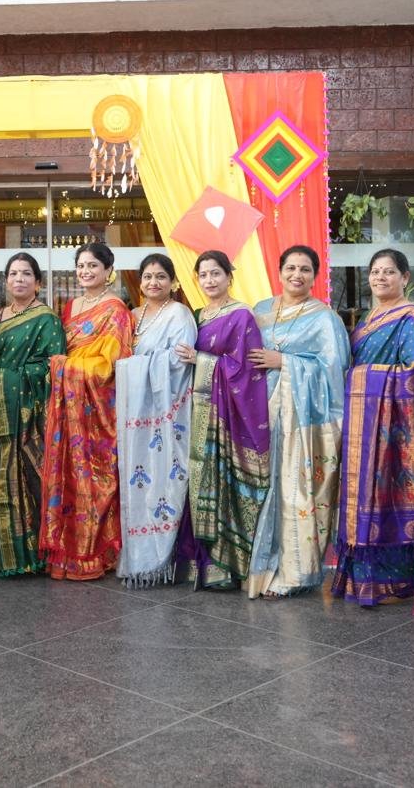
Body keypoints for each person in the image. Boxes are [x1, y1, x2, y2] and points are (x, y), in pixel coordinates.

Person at [331, 249, 414, 606]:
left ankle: (396, 582)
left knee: (387, 493)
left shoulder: (413, 317)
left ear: (405, 277)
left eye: (389, 272)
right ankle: (359, 577)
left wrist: (360, 377)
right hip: (362, 425)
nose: (380, 278)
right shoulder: (367, 319)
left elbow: (413, 373)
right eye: (375, 271)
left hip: (393, 427)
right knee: (359, 496)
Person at [247, 245, 350, 598]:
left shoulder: (325, 319)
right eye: (291, 268)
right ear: (279, 272)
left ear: (315, 276)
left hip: (302, 423)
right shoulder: (261, 310)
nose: (297, 275)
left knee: (296, 492)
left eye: (305, 269)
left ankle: (295, 573)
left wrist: (285, 362)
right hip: (261, 416)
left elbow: (335, 371)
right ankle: (261, 568)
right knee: (261, 490)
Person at [173, 250, 272, 590]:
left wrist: (200, 360)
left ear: (229, 276)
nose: (209, 280)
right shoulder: (197, 316)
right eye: (203, 275)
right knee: (197, 483)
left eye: (216, 273)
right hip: (198, 414)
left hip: (229, 419)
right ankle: (198, 565)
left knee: (223, 483)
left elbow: (247, 369)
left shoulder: (242, 315)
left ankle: (225, 568)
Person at [41, 242, 133, 580]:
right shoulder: (70, 307)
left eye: (93, 265)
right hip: (68, 408)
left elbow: (111, 364)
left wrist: (65, 367)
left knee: (96, 478)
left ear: (108, 271)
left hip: (97, 408)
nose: (85, 271)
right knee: (67, 474)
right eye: (81, 266)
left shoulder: (116, 310)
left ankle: (95, 551)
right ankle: (66, 549)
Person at [0, 253, 65, 577]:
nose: (19, 279)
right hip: (0, 409)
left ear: (38, 283)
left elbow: (54, 366)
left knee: (30, 477)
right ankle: (4, 551)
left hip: (30, 413)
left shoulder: (47, 319)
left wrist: (5, 379)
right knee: (0, 474)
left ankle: (32, 553)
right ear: (6, 280)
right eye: (13, 273)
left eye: (26, 274)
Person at [116, 253, 197, 587]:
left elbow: (178, 363)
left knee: (164, 478)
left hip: (166, 413)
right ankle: (135, 557)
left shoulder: (179, 314)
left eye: (161, 276)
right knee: (132, 480)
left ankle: (160, 559)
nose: (154, 282)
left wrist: (129, 367)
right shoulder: (133, 316)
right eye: (148, 276)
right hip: (132, 414)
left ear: (173, 282)